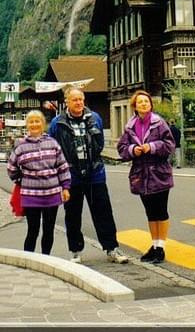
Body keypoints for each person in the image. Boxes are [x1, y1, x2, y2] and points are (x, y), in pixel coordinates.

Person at [49, 86, 128, 264]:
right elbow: (53, 149)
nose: (78, 103)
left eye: (81, 99)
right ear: (67, 102)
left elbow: (99, 143)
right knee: (73, 214)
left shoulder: (95, 118)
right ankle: (76, 251)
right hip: (71, 176)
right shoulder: (57, 123)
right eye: (74, 100)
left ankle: (111, 248)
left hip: (95, 173)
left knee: (103, 212)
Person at [117, 90, 175, 264]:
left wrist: (152, 146)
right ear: (135, 106)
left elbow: (170, 144)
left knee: (160, 211)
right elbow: (122, 148)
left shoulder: (159, 123)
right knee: (150, 212)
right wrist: (132, 150)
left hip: (159, 172)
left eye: (146, 101)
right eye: (140, 102)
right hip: (141, 175)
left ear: (150, 104)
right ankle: (154, 244)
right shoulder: (130, 127)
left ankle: (161, 247)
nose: (144, 104)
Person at [7, 110, 71, 256]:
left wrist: (65, 187)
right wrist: (21, 180)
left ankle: (46, 258)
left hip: (52, 194)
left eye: (38, 121)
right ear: (27, 125)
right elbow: (11, 168)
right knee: (33, 230)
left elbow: (62, 166)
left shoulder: (53, 143)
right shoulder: (21, 146)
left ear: (43, 124)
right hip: (31, 195)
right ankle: (29, 259)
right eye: (31, 121)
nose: (34, 124)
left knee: (49, 229)